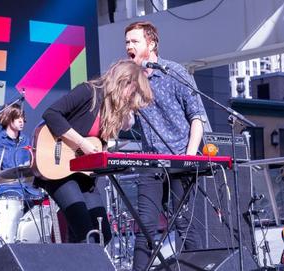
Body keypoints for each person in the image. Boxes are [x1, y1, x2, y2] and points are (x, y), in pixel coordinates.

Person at [36, 59, 153, 245]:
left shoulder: (112, 111)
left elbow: (116, 133)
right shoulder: (89, 91)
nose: (133, 98)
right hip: (59, 169)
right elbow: (51, 114)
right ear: (125, 82)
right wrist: (81, 143)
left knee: (102, 235)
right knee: (85, 232)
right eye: (134, 91)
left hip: (84, 176)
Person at [125, 21, 207, 270]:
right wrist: (125, 99)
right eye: (127, 42)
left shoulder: (173, 72)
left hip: (179, 159)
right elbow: (128, 124)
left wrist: (190, 157)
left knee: (185, 224)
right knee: (146, 227)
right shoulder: (131, 80)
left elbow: (198, 117)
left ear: (151, 44)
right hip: (151, 163)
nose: (129, 46)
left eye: (134, 41)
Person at [0, 103, 41, 244]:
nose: (21, 121)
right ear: (8, 118)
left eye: (22, 117)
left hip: (27, 189)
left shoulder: (26, 140)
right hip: (6, 191)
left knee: (45, 200)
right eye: (17, 118)